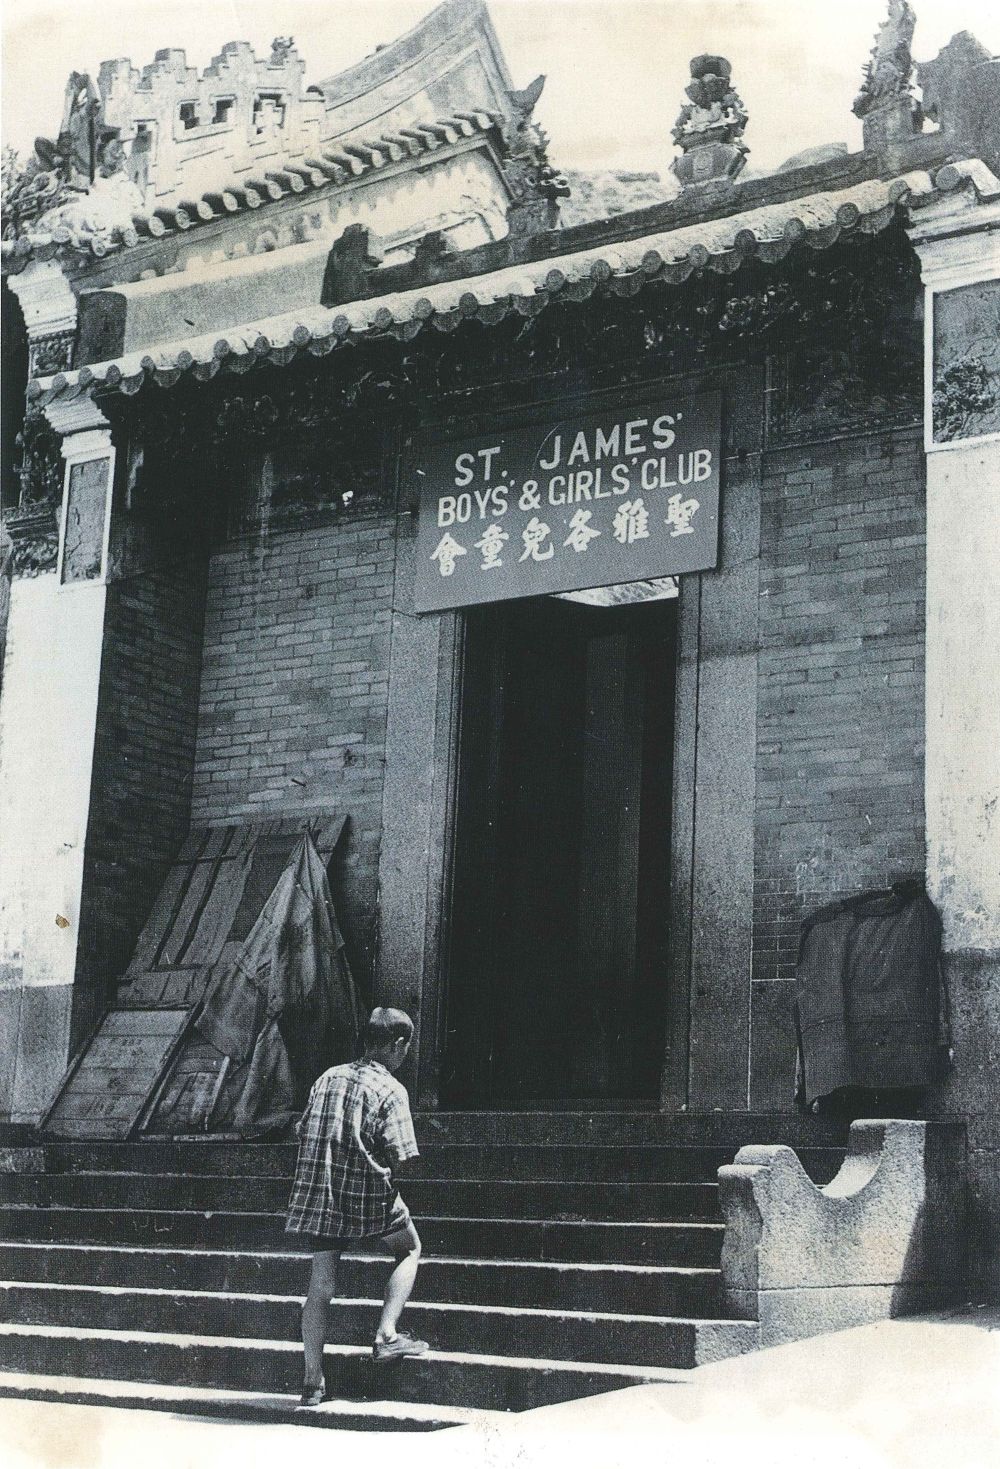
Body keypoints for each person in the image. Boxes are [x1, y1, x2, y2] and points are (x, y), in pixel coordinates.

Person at [285, 1006, 427, 1406]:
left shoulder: (327, 1076)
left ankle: (313, 1381)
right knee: (409, 1247)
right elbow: (403, 1155)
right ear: (398, 1045)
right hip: (365, 1194)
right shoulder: (392, 1089)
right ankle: (386, 1335)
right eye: (406, 1048)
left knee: (321, 1287)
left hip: (319, 1192)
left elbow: (302, 1129)